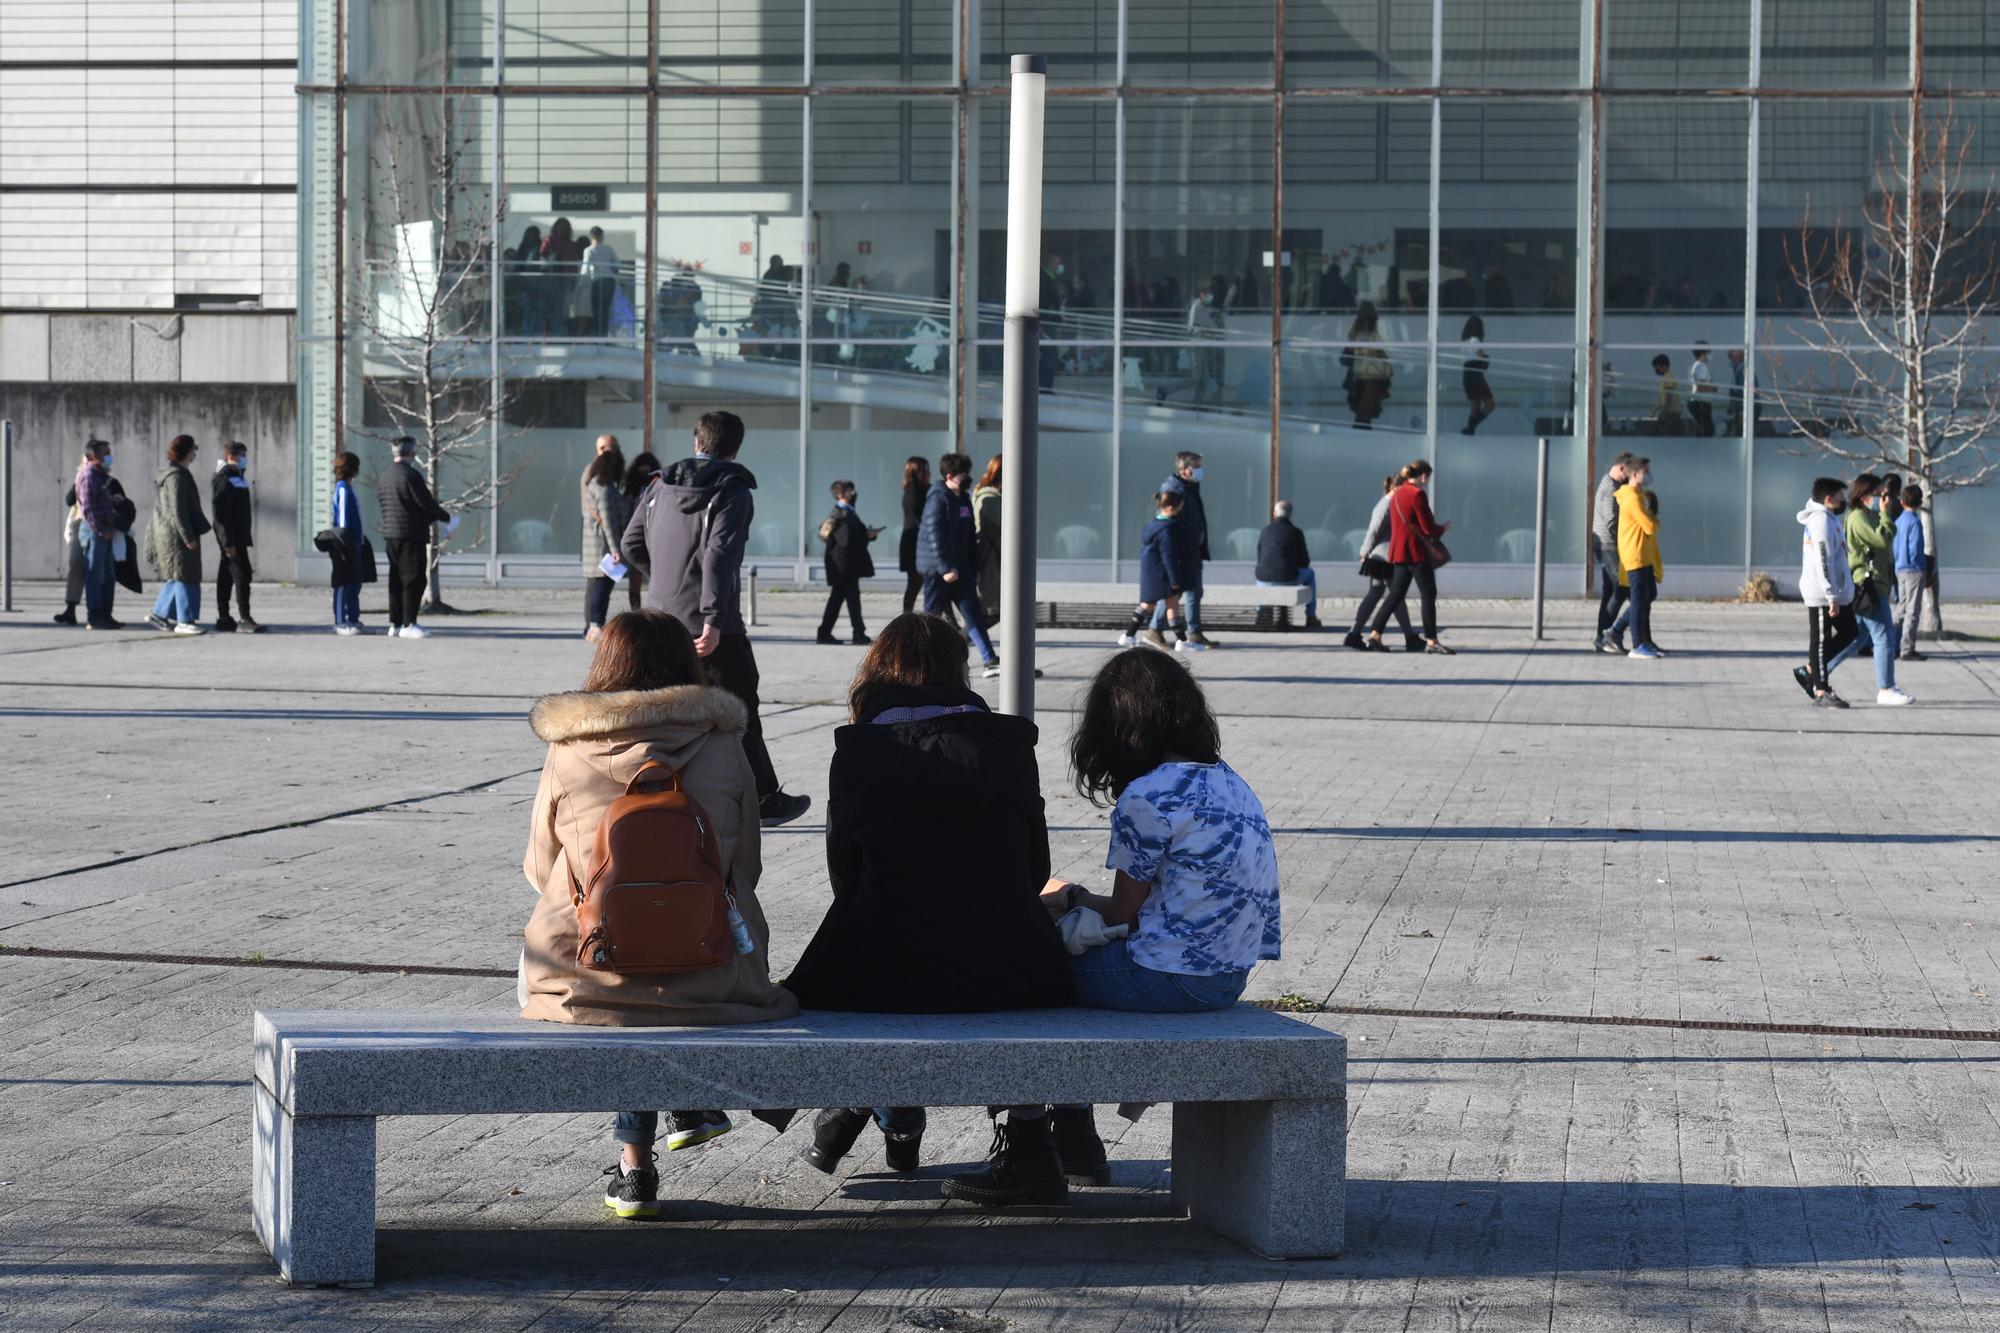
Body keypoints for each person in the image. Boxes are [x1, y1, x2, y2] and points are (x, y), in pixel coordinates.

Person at [783, 615, 1089, 1200]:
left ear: (879, 670)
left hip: (883, 971)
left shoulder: (859, 751)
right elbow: (1032, 867)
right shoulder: (1007, 747)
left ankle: (851, 1109)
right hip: (1008, 971)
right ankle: (1038, 1143)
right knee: (1038, 968)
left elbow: (843, 873)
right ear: (958, 670)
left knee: (853, 956)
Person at [520, 610, 799, 1220]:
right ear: (686, 663)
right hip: (714, 966)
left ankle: (634, 1168)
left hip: (585, 972)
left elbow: (541, 869)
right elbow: (744, 864)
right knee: (669, 979)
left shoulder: (569, 747)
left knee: (623, 987)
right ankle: (687, 1102)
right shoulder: (725, 744)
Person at [1042, 648, 1279, 1014]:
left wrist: (1069, 897)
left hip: (1165, 976)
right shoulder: (1230, 780)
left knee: (1025, 961)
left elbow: (1123, 913)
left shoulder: (1149, 795)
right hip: (1227, 980)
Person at [620, 410, 813, 827]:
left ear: (696, 442)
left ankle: (651, 796)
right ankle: (762, 797)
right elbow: (719, 556)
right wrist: (711, 616)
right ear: (735, 447)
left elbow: (630, 542)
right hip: (712, 624)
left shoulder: (658, 485)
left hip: (659, 619)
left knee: (664, 712)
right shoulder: (732, 490)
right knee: (740, 706)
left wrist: (663, 584)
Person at [917, 452, 1003, 679]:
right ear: (950, 475)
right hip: (939, 571)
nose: (967, 477)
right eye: (963, 473)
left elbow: (969, 535)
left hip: (962, 569)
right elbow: (934, 535)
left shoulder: (963, 498)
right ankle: (923, 661)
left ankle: (990, 659)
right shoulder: (938, 498)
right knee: (931, 618)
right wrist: (945, 568)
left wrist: (972, 569)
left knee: (973, 613)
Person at [1838, 474, 1914, 706]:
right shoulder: (1859, 516)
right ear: (1863, 495)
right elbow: (1881, 540)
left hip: (1877, 582)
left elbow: (1887, 538)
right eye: (1877, 494)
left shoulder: (1868, 514)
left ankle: (1816, 672)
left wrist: (1883, 515)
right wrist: (1885, 513)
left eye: (1884, 494)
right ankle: (1886, 688)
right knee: (1884, 637)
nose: (1882, 499)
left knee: (1857, 638)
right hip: (1868, 583)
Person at [1365, 459, 1453, 654]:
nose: (1427, 481)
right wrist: (1442, 528)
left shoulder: (1396, 493)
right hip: (1416, 552)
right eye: (1428, 477)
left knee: (1395, 595)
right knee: (1428, 594)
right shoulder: (1418, 494)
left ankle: (1375, 634)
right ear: (1423, 476)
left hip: (1399, 552)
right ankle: (1431, 640)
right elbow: (1427, 527)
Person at [377, 437, 451, 639]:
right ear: (410, 453)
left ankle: (395, 623)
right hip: (411, 534)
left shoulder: (384, 477)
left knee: (396, 579)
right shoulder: (411, 476)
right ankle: (409, 623)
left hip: (390, 534)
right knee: (414, 579)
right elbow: (424, 502)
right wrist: (445, 517)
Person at [1794, 477, 1858, 708]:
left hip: (1834, 592)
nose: (1844, 501)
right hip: (1821, 592)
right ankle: (1821, 690)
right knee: (1820, 640)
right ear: (1829, 499)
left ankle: (1810, 670)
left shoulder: (1830, 520)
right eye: (1841, 498)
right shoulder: (1820, 521)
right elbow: (1823, 560)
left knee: (1850, 631)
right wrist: (1831, 594)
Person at [146, 435, 211, 635]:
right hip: (176, 536)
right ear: (187, 452)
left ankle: (159, 613)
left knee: (177, 576)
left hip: (171, 534)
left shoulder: (176, 475)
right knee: (186, 576)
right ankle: (184, 620)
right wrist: (188, 536)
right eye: (194, 449)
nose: (195, 454)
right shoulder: (176, 478)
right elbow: (177, 510)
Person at [1347, 473, 1417, 652]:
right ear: (1396, 488)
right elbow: (1373, 530)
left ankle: (1354, 634)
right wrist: (1364, 552)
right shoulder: (1386, 505)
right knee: (1395, 596)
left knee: (1377, 594)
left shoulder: (1391, 503)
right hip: (1382, 558)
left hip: (1383, 557)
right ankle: (1409, 636)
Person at [1117, 488, 1194, 652]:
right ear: (1172, 508)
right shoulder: (1168, 530)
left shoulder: (1153, 525)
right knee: (1172, 606)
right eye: (1180, 507)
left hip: (1152, 573)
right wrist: (1174, 580)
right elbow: (1169, 555)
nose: (1181, 510)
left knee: (1147, 605)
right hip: (1164, 574)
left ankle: (1128, 636)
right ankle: (1182, 641)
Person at [1154, 452, 1215, 647]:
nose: (1199, 470)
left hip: (1192, 549)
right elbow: (1169, 520)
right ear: (1183, 469)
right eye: (1196, 466)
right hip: (1182, 551)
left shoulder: (1190, 487)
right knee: (1174, 593)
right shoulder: (1173, 489)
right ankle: (1155, 629)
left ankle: (1194, 632)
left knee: (1194, 591)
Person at [68, 440, 126, 630]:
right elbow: (88, 508)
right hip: (94, 531)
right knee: (94, 576)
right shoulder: (88, 476)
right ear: (93, 456)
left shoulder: (101, 476)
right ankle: (95, 617)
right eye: (105, 453)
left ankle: (106, 615)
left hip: (105, 530)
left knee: (108, 576)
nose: (109, 457)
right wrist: (102, 530)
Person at [816, 480, 878, 646]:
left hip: (844, 565)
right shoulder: (841, 515)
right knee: (851, 599)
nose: (854, 493)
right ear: (842, 494)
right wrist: (867, 536)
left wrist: (867, 534)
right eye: (850, 490)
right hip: (843, 566)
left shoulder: (844, 512)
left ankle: (825, 632)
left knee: (838, 599)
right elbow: (846, 541)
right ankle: (857, 633)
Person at [210, 441, 262, 633]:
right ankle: (244, 618)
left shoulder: (237, 477)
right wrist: (227, 542)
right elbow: (219, 514)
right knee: (242, 576)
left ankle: (224, 617)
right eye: (242, 455)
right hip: (232, 539)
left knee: (226, 576)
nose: (245, 459)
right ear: (232, 456)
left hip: (238, 537)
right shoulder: (224, 479)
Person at [1615, 459, 1664, 660]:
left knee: (1648, 596)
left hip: (1644, 555)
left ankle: (1640, 639)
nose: (1649, 474)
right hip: (1634, 555)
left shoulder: (1639, 496)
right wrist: (1653, 519)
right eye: (1645, 471)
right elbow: (1650, 527)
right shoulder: (1632, 499)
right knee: (1638, 601)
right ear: (1634, 474)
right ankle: (1636, 644)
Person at [581, 448, 630, 642]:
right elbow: (608, 522)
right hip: (604, 548)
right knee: (603, 587)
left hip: (593, 544)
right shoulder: (605, 491)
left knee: (599, 587)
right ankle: (596, 626)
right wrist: (616, 550)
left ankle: (595, 625)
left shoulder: (592, 485)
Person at [1254, 500, 1321, 630]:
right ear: (1290, 515)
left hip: (1263, 579)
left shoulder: (1265, 531)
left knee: (1262, 575)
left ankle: (1261, 613)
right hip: (1288, 577)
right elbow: (1305, 562)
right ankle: (1310, 616)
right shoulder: (1296, 532)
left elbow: (1260, 558)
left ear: (1274, 514)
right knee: (1311, 574)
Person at [1591, 453, 1634, 653]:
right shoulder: (1610, 489)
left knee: (1609, 591)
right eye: (1629, 473)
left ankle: (1602, 636)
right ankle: (1609, 633)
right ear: (1621, 469)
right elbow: (1611, 521)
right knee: (1621, 587)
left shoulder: (1610, 483)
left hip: (1606, 545)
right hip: (1608, 546)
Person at [330, 451, 368, 635]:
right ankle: (340, 621)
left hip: (355, 542)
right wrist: (346, 543)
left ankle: (353, 618)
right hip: (347, 543)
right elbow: (344, 521)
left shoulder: (348, 489)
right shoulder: (343, 489)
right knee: (344, 583)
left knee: (355, 583)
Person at [622, 451, 662, 610]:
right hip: (637, 534)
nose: (644, 472)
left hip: (652, 535)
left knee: (654, 576)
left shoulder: (658, 485)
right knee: (635, 578)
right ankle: (636, 610)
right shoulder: (632, 489)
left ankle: (654, 610)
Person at [1895, 484, 1929, 662]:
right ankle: (1907, 648)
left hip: (1899, 567)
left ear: (1901, 502)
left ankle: (1892, 644)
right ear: (1919, 502)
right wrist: (1921, 566)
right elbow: (1915, 548)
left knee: (1901, 607)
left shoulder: (1899, 521)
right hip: (1913, 569)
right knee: (1912, 611)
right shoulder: (1915, 522)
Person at [1345, 302, 1392, 428]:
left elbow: (1344, 360)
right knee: (1365, 413)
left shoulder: (1375, 335)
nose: (1366, 323)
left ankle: (1359, 433)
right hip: (1364, 380)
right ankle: (1360, 433)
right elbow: (1344, 359)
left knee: (1364, 413)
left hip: (1368, 379)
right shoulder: (1357, 335)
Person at [972, 455, 1004, 627]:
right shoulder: (989, 499)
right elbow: (1012, 523)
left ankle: (963, 639)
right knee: (993, 610)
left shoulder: (990, 496)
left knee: (993, 610)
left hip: (993, 561)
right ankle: (961, 640)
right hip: (990, 562)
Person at [898, 455, 929, 616]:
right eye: (924, 470)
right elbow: (918, 520)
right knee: (914, 584)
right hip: (914, 544)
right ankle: (906, 616)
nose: (928, 473)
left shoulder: (924, 490)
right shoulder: (913, 493)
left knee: (925, 584)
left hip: (918, 542)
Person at [581, 226, 619, 336]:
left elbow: (585, 268)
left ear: (591, 236)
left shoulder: (589, 250)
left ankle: (598, 334)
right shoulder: (608, 248)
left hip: (597, 281)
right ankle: (603, 333)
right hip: (609, 280)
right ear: (602, 236)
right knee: (606, 309)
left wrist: (581, 284)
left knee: (596, 308)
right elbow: (617, 264)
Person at [1460, 316, 1494, 435]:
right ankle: (1472, 426)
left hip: (1467, 374)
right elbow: (1480, 355)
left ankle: (1471, 428)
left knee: (1474, 404)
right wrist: (1486, 359)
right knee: (1490, 404)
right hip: (1475, 374)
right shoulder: (1475, 340)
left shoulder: (1464, 342)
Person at [1687, 342, 1717, 437]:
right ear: (1704, 352)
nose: (1710, 354)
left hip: (1697, 403)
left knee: (1702, 431)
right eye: (1709, 351)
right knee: (1707, 431)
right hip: (1701, 404)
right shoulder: (1701, 366)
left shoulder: (1694, 366)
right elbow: (1701, 386)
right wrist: (1714, 387)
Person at [1649, 354, 1684, 434]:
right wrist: (1654, 411)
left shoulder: (1668, 378)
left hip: (1671, 413)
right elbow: (1661, 399)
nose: (1656, 370)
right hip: (1668, 412)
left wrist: (1664, 413)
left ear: (1663, 366)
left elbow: (1669, 397)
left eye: (1657, 367)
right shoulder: (1664, 379)